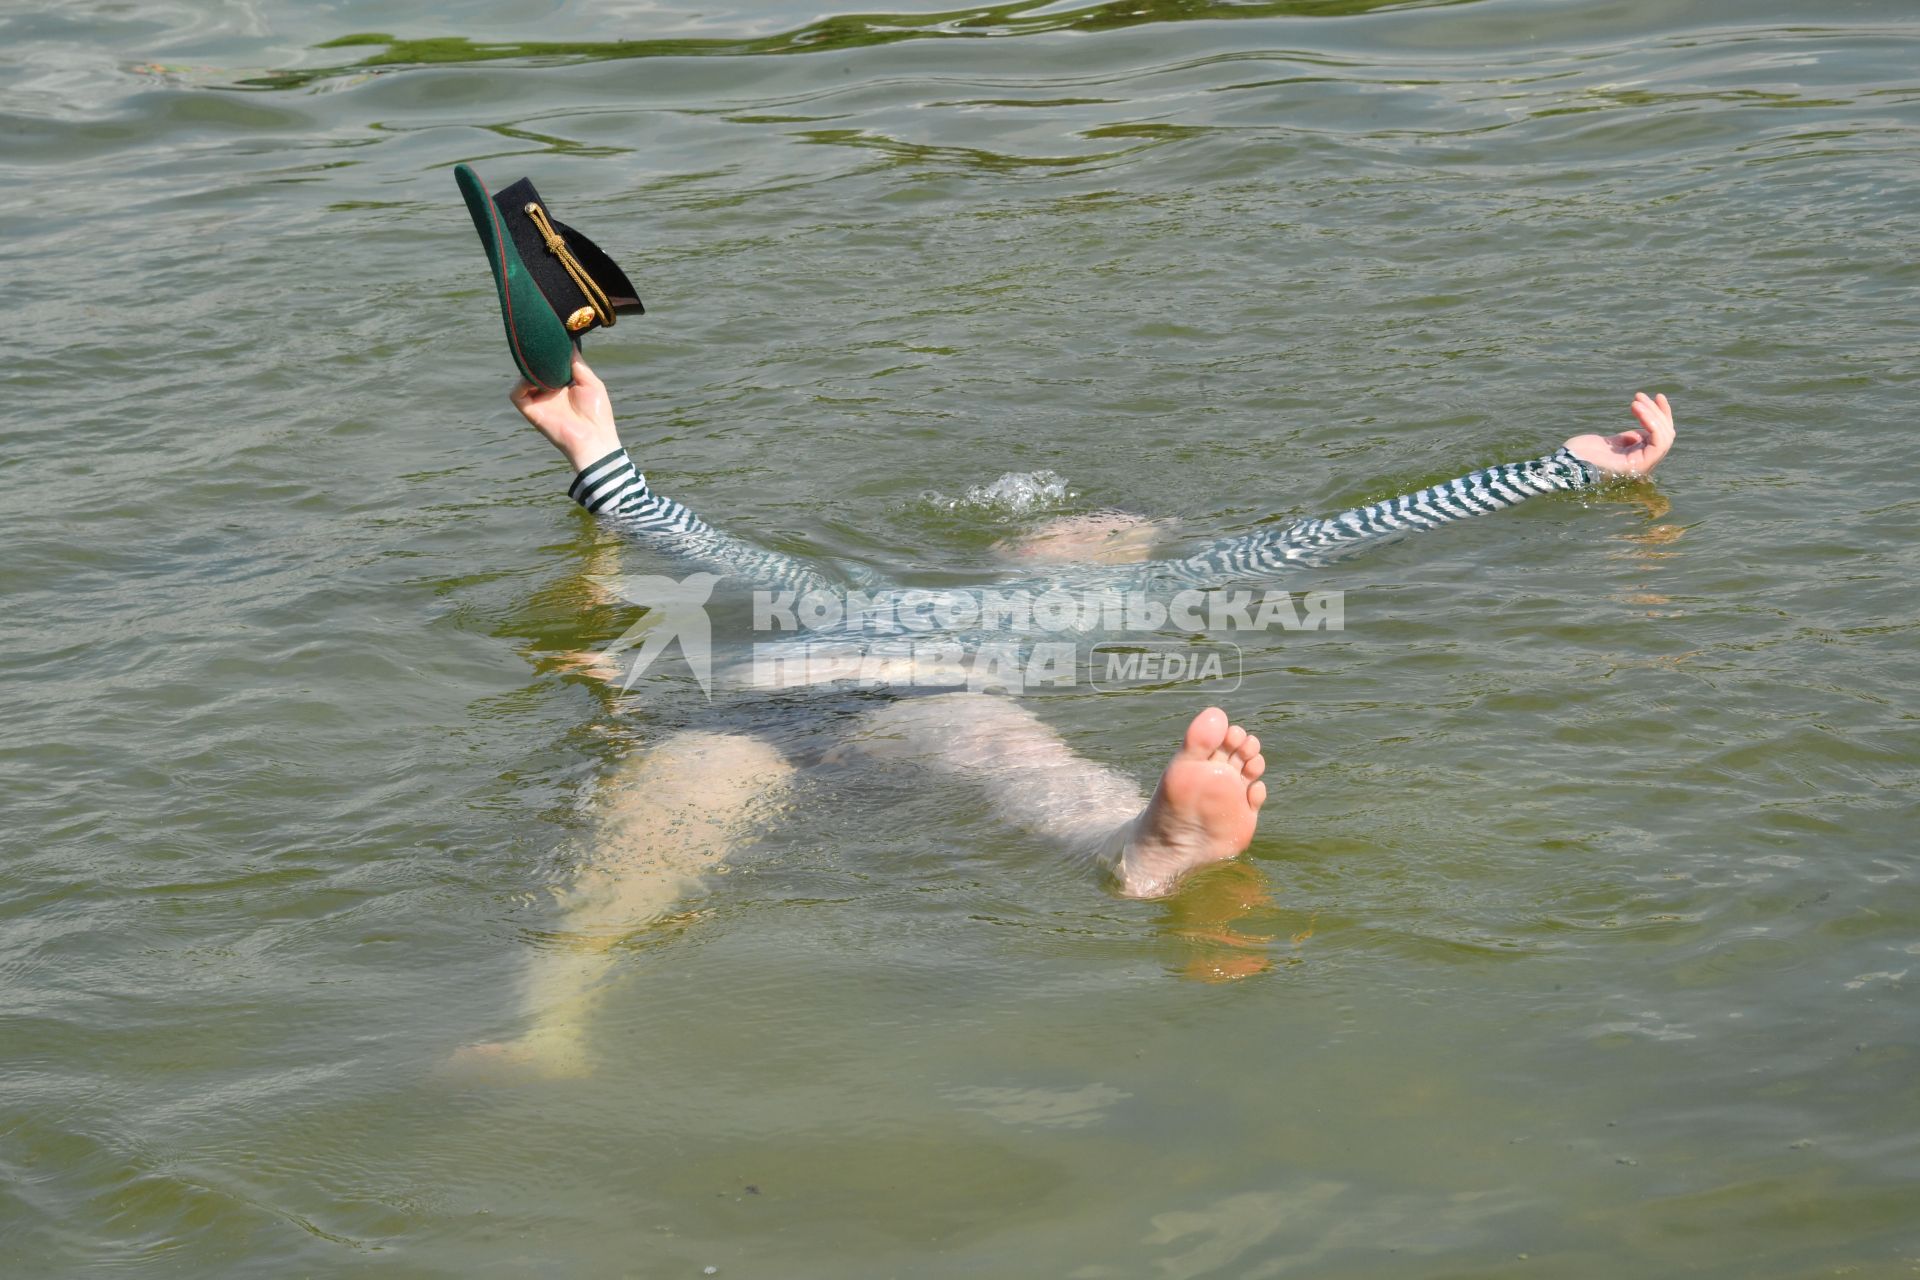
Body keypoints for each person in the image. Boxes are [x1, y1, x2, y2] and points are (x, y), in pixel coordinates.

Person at [458, 356, 1677, 1074]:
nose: (1092, 537)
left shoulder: (1091, 594)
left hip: (865, 706)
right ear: (1022, 552)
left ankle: (1145, 843)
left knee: (996, 749)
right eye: (1077, 531)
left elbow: (1350, 527)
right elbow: (685, 537)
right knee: (664, 822)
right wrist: (593, 449)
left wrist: (1568, 464)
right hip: (790, 715)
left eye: (1110, 535)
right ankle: (550, 1023)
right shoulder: (949, 595)